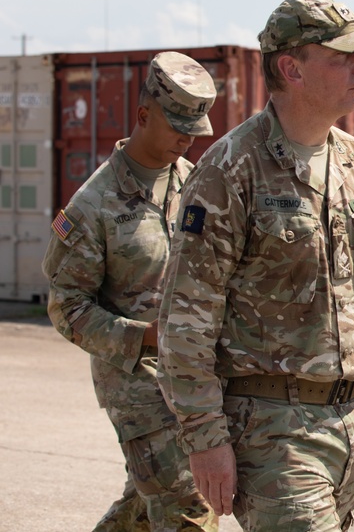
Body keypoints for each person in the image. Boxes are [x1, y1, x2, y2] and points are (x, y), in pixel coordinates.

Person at [156, 0, 354, 530]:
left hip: (350, 420)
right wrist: (204, 438)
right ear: (291, 68)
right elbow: (185, 321)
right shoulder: (231, 171)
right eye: (344, 56)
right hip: (271, 430)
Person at [42, 51, 219, 532]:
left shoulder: (191, 184)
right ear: (143, 116)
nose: (186, 140)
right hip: (136, 387)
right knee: (189, 506)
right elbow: (67, 308)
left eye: (194, 131)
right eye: (176, 127)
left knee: (143, 509)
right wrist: (144, 336)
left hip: (194, 377)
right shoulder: (92, 206)